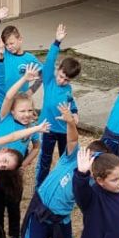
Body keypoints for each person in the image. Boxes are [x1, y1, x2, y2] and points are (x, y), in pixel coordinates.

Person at [18, 104, 93, 238]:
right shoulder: (71, 159)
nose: (87, 162)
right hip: (41, 209)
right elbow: (74, 139)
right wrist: (70, 122)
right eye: (88, 156)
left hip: (62, 214)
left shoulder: (92, 180)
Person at [0, 65, 43, 238]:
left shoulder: (32, 128)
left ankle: (15, 234)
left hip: (14, 173)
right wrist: (25, 79)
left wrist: (24, 164)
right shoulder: (5, 119)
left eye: (30, 110)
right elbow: (8, 97)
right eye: (22, 111)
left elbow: (37, 146)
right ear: (12, 112)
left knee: (14, 205)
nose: (27, 114)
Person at [35, 24, 81, 187]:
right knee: (45, 159)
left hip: (63, 129)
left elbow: (71, 101)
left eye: (66, 79)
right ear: (58, 70)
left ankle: (63, 184)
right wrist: (57, 42)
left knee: (65, 157)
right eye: (61, 76)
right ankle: (40, 186)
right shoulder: (49, 80)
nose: (62, 81)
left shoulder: (68, 89)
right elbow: (49, 61)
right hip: (47, 127)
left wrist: (75, 112)